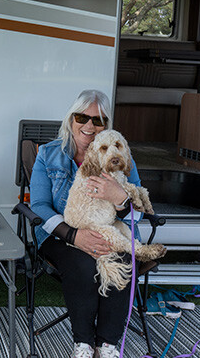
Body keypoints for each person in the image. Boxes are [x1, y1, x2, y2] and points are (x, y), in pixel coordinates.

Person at [29, 89, 142, 358]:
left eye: (99, 120)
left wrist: (119, 198)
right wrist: (74, 236)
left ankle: (108, 344)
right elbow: (39, 206)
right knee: (83, 264)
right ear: (71, 120)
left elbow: (138, 213)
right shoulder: (48, 154)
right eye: (82, 117)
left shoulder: (121, 156)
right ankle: (83, 343)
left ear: (107, 125)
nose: (89, 125)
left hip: (108, 230)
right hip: (59, 236)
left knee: (122, 260)